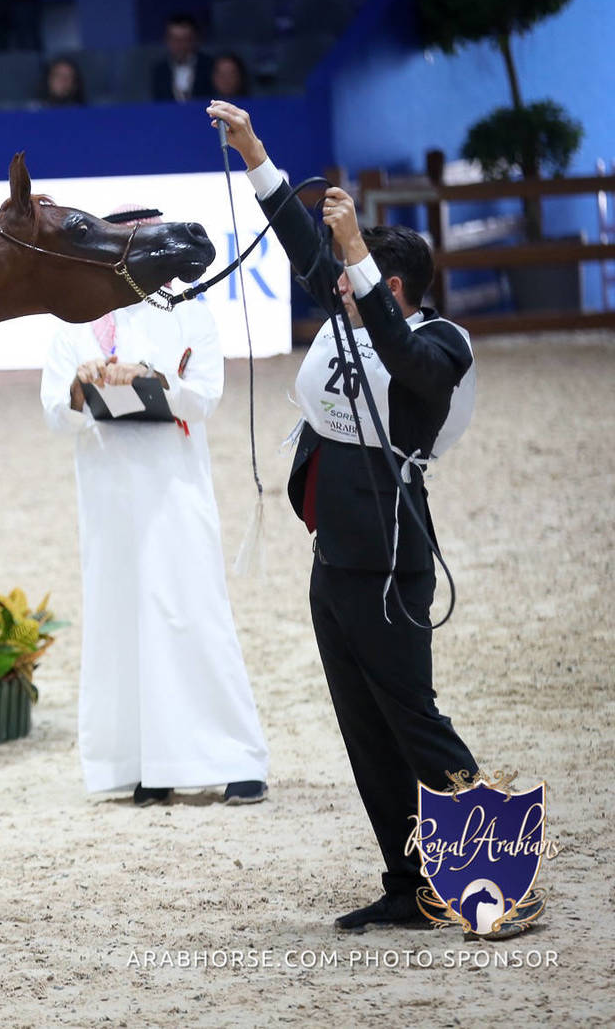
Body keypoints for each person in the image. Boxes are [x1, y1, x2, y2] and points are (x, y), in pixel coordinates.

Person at [206, 99, 482, 933]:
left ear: (387, 285)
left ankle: (492, 872)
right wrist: (256, 154)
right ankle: (410, 881)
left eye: (355, 271)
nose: (334, 279)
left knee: (414, 720)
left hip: (392, 551)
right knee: (365, 728)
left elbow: (404, 362)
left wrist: (358, 255)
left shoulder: (441, 343)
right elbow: (297, 241)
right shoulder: (349, 308)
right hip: (335, 552)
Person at [39, 206, 269, 808]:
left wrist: (151, 376)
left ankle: (236, 757)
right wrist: (82, 382)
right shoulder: (75, 324)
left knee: (192, 609)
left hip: (172, 485)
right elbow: (54, 411)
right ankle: (147, 765)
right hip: (108, 492)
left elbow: (207, 398)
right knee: (122, 622)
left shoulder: (190, 315)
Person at [150, 14, 215, 103]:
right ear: (166, 40)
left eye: (185, 39)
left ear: (195, 40)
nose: (179, 45)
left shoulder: (210, 66)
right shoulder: (159, 70)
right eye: (175, 39)